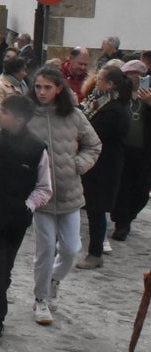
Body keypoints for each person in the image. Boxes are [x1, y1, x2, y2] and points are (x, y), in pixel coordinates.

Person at [0, 94, 52, 345]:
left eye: (3, 111)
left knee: (5, 267)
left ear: (17, 119)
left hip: (17, 217)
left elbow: (44, 187)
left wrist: (28, 207)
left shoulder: (37, 148)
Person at [26, 65, 101, 326]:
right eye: (38, 87)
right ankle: (41, 299)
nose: (42, 92)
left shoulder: (75, 116)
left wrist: (77, 165)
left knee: (71, 249)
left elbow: (94, 144)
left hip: (70, 193)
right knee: (45, 249)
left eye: (48, 87)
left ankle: (53, 281)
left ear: (58, 88)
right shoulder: (27, 115)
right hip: (41, 196)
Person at [76, 65, 131, 269]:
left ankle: (95, 253)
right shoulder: (102, 103)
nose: (95, 81)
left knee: (97, 210)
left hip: (105, 166)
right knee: (92, 208)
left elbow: (93, 133)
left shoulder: (115, 110)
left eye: (99, 79)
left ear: (109, 85)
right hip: (98, 164)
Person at [112, 60, 151, 241]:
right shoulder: (119, 96)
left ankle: (128, 216)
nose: (133, 77)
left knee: (142, 192)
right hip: (122, 149)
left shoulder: (148, 97)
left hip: (144, 152)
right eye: (129, 74)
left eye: (137, 74)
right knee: (123, 188)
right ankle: (122, 223)